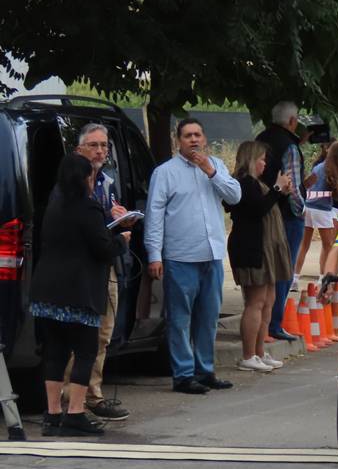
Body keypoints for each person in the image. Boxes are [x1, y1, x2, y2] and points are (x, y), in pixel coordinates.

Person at [30, 153, 130, 435]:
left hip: (47, 291)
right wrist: (121, 240)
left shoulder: (54, 204)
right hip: (79, 293)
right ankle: (75, 413)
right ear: (87, 178)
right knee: (86, 351)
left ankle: (51, 416)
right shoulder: (88, 207)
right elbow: (103, 249)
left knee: (55, 352)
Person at [146, 118, 241, 394]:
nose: (193, 140)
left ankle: (205, 370)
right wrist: (155, 254)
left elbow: (235, 196)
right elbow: (154, 217)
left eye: (198, 135)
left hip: (211, 254)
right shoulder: (165, 173)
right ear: (178, 141)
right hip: (180, 256)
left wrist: (210, 170)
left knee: (209, 316)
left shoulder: (216, 167)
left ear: (205, 139)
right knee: (180, 318)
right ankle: (183, 374)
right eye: (187, 136)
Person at [69, 123, 137, 422]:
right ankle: (72, 399)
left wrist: (120, 219)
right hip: (80, 268)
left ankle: (93, 395)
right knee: (79, 335)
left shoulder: (107, 182)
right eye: (93, 145)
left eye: (103, 146)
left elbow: (104, 218)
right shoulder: (71, 184)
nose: (99, 151)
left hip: (106, 264)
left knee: (103, 333)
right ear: (79, 150)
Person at [226, 141, 293, 373]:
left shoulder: (257, 183)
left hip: (266, 249)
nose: (265, 163)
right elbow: (256, 210)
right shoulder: (243, 183)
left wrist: (282, 193)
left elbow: (269, 206)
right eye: (262, 159)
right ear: (251, 159)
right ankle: (248, 354)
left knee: (268, 300)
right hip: (252, 248)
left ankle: (260, 351)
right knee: (255, 301)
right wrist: (276, 189)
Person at [257, 102, 306, 340]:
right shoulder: (290, 147)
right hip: (286, 215)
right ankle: (274, 324)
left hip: (262, 209)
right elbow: (292, 185)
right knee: (283, 269)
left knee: (266, 270)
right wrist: (300, 210)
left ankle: (263, 324)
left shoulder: (261, 138)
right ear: (292, 121)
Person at [296, 140, 338, 284]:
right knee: (328, 245)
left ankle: (294, 278)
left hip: (308, 207)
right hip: (323, 210)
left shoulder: (318, 167)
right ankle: (324, 278)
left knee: (304, 245)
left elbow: (307, 185)